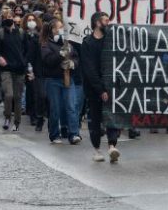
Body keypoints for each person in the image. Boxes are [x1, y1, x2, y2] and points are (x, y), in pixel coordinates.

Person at [81, 12, 121, 163]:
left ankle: (112, 146)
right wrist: (100, 90)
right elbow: (89, 69)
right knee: (95, 118)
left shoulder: (110, 41)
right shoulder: (87, 43)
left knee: (112, 116)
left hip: (111, 86)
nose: (108, 23)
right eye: (106, 20)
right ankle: (97, 149)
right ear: (98, 23)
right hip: (94, 88)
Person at [40, 18, 81, 144]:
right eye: (59, 27)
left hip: (68, 79)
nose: (62, 29)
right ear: (53, 30)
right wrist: (61, 54)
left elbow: (76, 58)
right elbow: (48, 60)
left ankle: (74, 134)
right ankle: (54, 135)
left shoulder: (68, 43)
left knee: (71, 106)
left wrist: (72, 63)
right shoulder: (46, 44)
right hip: (53, 80)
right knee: (55, 108)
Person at [0, 16, 27, 131]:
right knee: (8, 94)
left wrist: (24, 62)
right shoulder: (0, 34)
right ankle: (7, 117)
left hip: (19, 68)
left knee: (18, 97)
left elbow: (27, 49)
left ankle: (17, 121)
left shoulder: (21, 33)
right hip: (6, 68)